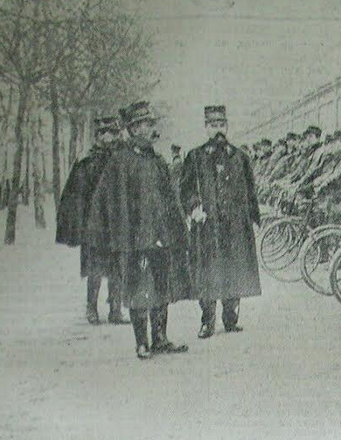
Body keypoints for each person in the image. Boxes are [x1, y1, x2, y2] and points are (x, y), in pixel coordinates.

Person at [87, 101, 191, 359]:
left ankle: (160, 339)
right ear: (133, 129)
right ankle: (141, 342)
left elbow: (170, 198)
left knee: (162, 288)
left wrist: (177, 230)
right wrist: (115, 235)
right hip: (134, 240)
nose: (148, 129)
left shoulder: (157, 161)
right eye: (143, 125)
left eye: (150, 124)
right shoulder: (120, 161)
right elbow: (104, 201)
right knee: (138, 289)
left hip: (161, 237)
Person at [180, 105, 262, 339]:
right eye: (213, 125)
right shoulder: (195, 157)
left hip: (235, 224)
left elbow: (250, 189)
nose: (218, 130)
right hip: (208, 225)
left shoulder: (240, 157)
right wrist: (194, 207)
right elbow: (186, 188)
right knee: (207, 271)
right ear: (206, 128)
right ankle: (207, 321)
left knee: (234, 268)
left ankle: (230, 318)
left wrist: (253, 216)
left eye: (221, 125)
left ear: (227, 126)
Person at [56, 115, 129, 325]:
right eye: (103, 133)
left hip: (117, 222)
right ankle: (92, 308)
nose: (108, 137)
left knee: (117, 267)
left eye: (112, 133)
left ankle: (115, 309)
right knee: (94, 268)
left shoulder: (122, 160)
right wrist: (80, 223)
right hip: (95, 223)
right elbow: (76, 194)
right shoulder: (87, 162)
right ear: (97, 136)